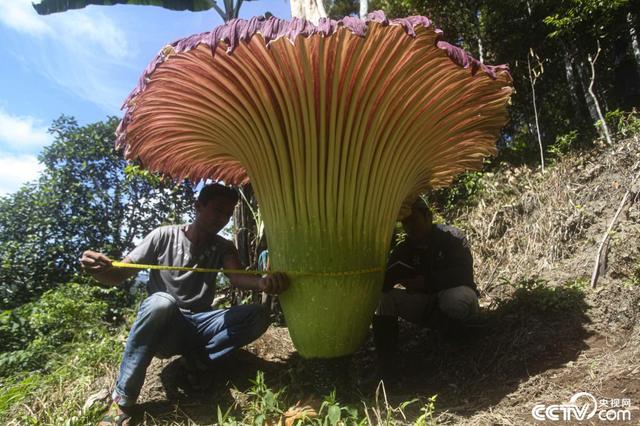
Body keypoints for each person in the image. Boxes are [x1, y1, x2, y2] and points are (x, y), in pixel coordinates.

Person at [80, 183, 289, 425]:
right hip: (165, 329)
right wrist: (95, 268)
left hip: (199, 326)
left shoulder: (223, 247)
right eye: (217, 210)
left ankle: (195, 362)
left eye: (227, 214)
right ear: (198, 207)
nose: (222, 219)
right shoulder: (163, 236)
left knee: (257, 315)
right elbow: (117, 275)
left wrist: (263, 283)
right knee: (162, 302)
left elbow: (237, 277)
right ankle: (122, 403)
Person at [372, 197, 479, 376]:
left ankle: (463, 346)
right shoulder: (405, 249)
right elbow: (385, 280)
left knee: (455, 298)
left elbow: (463, 274)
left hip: (455, 297)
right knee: (384, 300)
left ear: (428, 216)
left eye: (414, 220)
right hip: (426, 305)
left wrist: (426, 282)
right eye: (405, 223)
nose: (410, 227)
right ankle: (387, 368)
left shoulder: (452, 237)